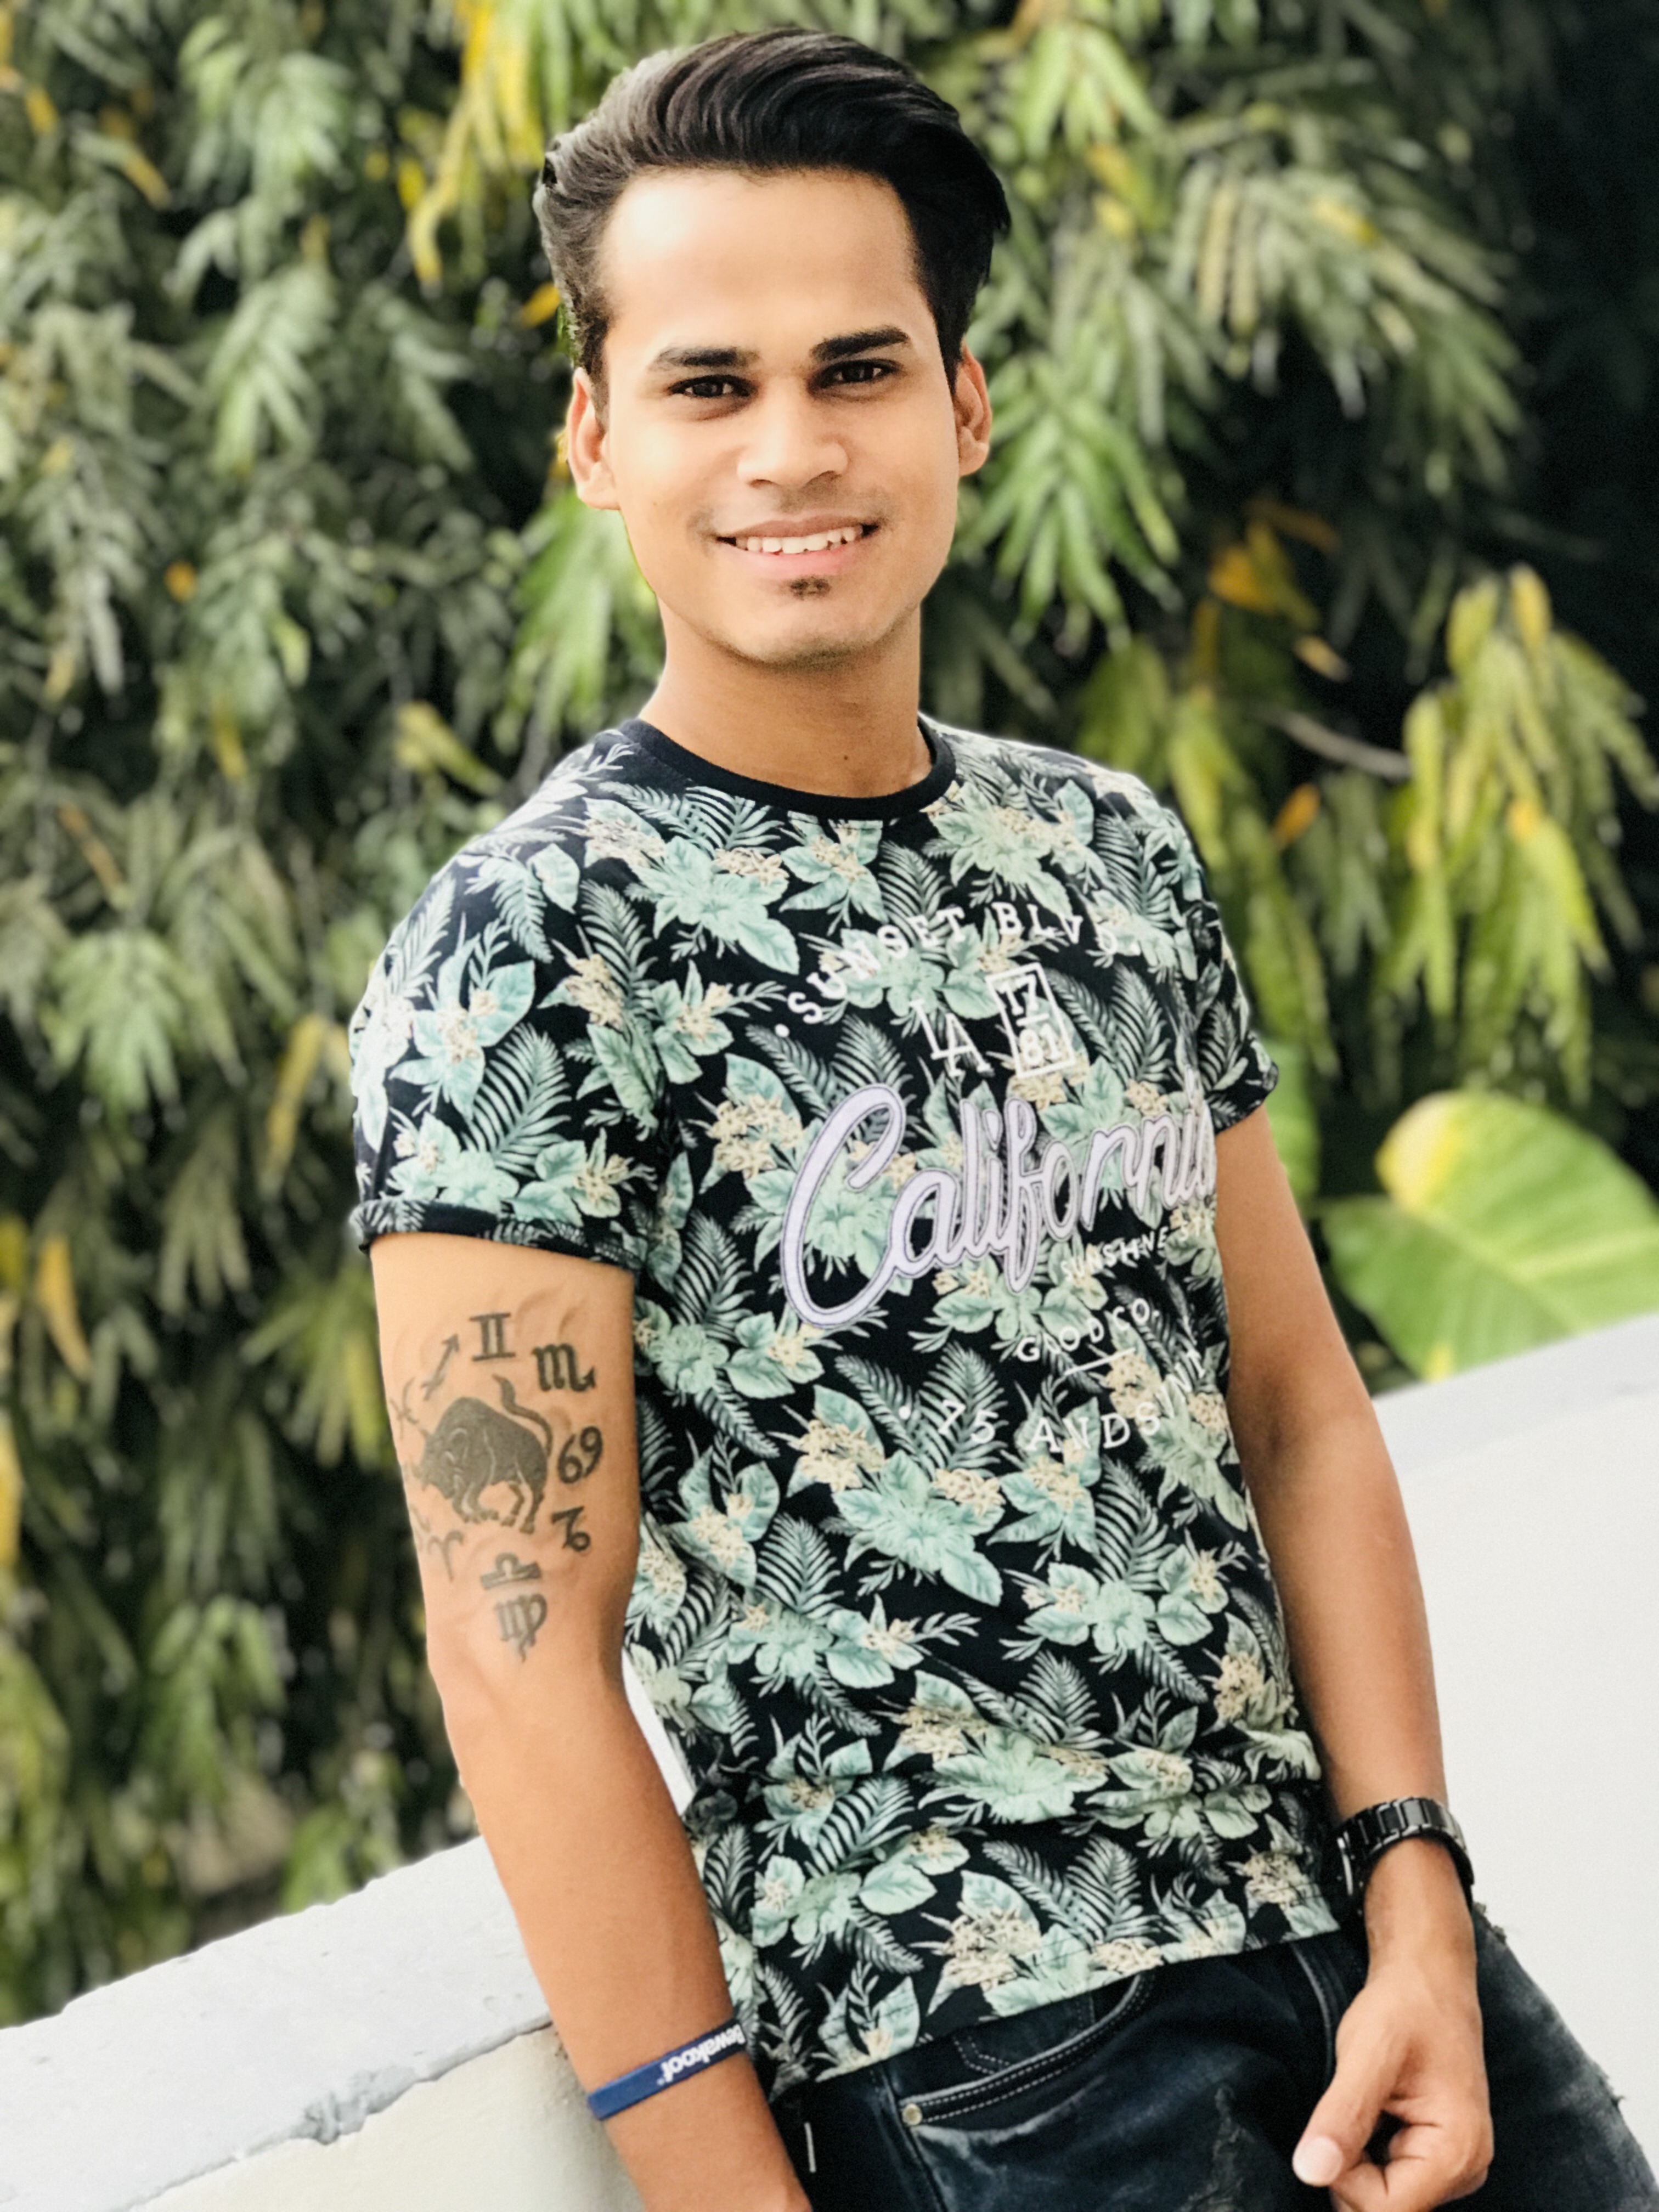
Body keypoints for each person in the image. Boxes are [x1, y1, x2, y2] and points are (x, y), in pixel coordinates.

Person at [349, 29, 1656, 2212]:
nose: (791, 448)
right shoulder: (535, 943)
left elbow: (1294, 1404)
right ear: (594, 438)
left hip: (1359, 1956)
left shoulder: (1109, 851)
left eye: (857, 370)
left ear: (964, 407)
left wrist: (1419, 1893)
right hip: (984, 2060)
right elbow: (516, 1649)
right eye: (706, 384)